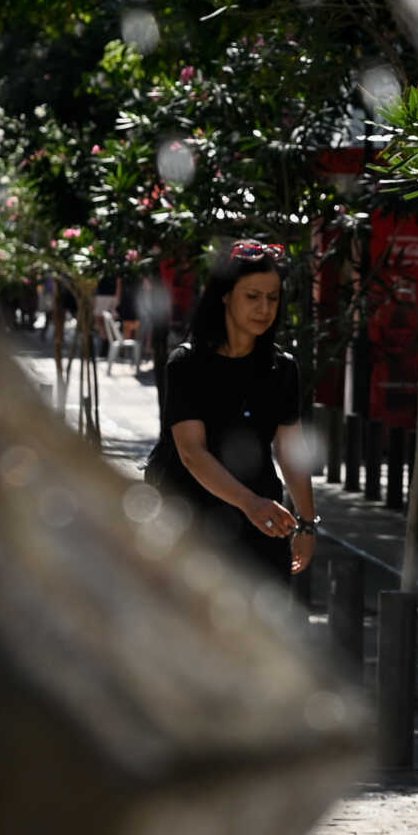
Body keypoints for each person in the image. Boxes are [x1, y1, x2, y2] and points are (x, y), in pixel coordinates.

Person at [157, 242, 314, 582]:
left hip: (264, 520)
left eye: (272, 298)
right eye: (252, 296)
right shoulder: (187, 364)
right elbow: (191, 452)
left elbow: (290, 451)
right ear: (225, 296)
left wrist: (307, 523)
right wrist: (249, 503)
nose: (264, 308)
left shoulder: (282, 368)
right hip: (191, 517)